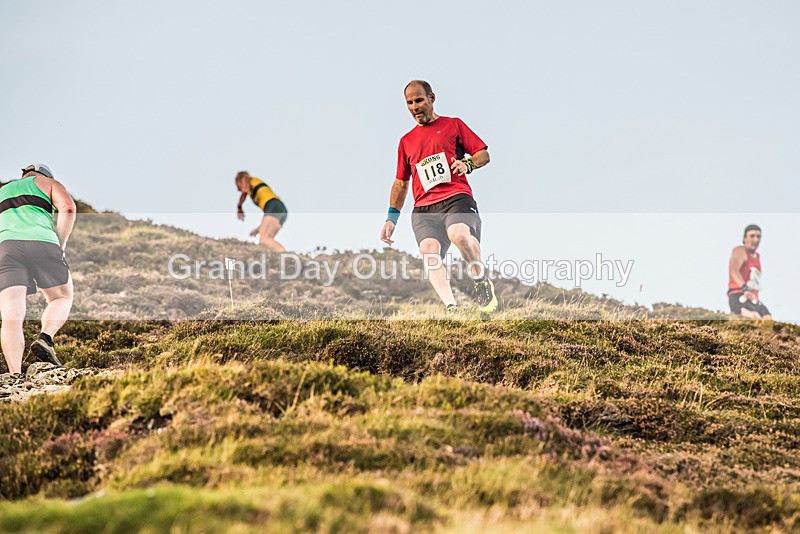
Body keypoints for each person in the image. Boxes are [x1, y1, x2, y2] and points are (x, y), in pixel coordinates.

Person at [380, 80, 497, 317]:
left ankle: (481, 282)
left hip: (456, 197)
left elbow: (483, 154)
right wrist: (391, 219)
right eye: (409, 103)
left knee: (459, 235)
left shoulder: (453, 125)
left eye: (419, 100)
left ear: (432, 98)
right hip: (424, 209)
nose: (415, 107)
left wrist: (467, 163)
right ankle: (451, 307)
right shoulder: (406, 141)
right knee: (428, 251)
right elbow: (401, 183)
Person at [0, 164, 76, 375]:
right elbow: (68, 208)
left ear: (24, 173)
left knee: (10, 314)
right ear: (45, 175)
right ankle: (45, 338)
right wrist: (60, 245)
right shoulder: (49, 183)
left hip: (5, 247)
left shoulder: (2, 191)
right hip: (41, 242)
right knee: (62, 297)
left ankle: (15, 374)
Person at [235, 170, 288, 252]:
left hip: (273, 205)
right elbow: (269, 220)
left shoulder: (247, 178)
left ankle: (287, 258)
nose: (238, 190)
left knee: (264, 239)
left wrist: (239, 206)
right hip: (280, 209)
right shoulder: (252, 185)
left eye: (237, 185)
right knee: (267, 241)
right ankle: (284, 259)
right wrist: (258, 229)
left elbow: (244, 190)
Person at [728, 224, 772, 319]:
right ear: (744, 238)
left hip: (753, 298)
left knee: (768, 319)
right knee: (754, 318)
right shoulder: (740, 251)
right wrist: (745, 288)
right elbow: (733, 270)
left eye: (758, 236)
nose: (755, 239)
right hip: (738, 294)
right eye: (752, 236)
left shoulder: (757, 256)